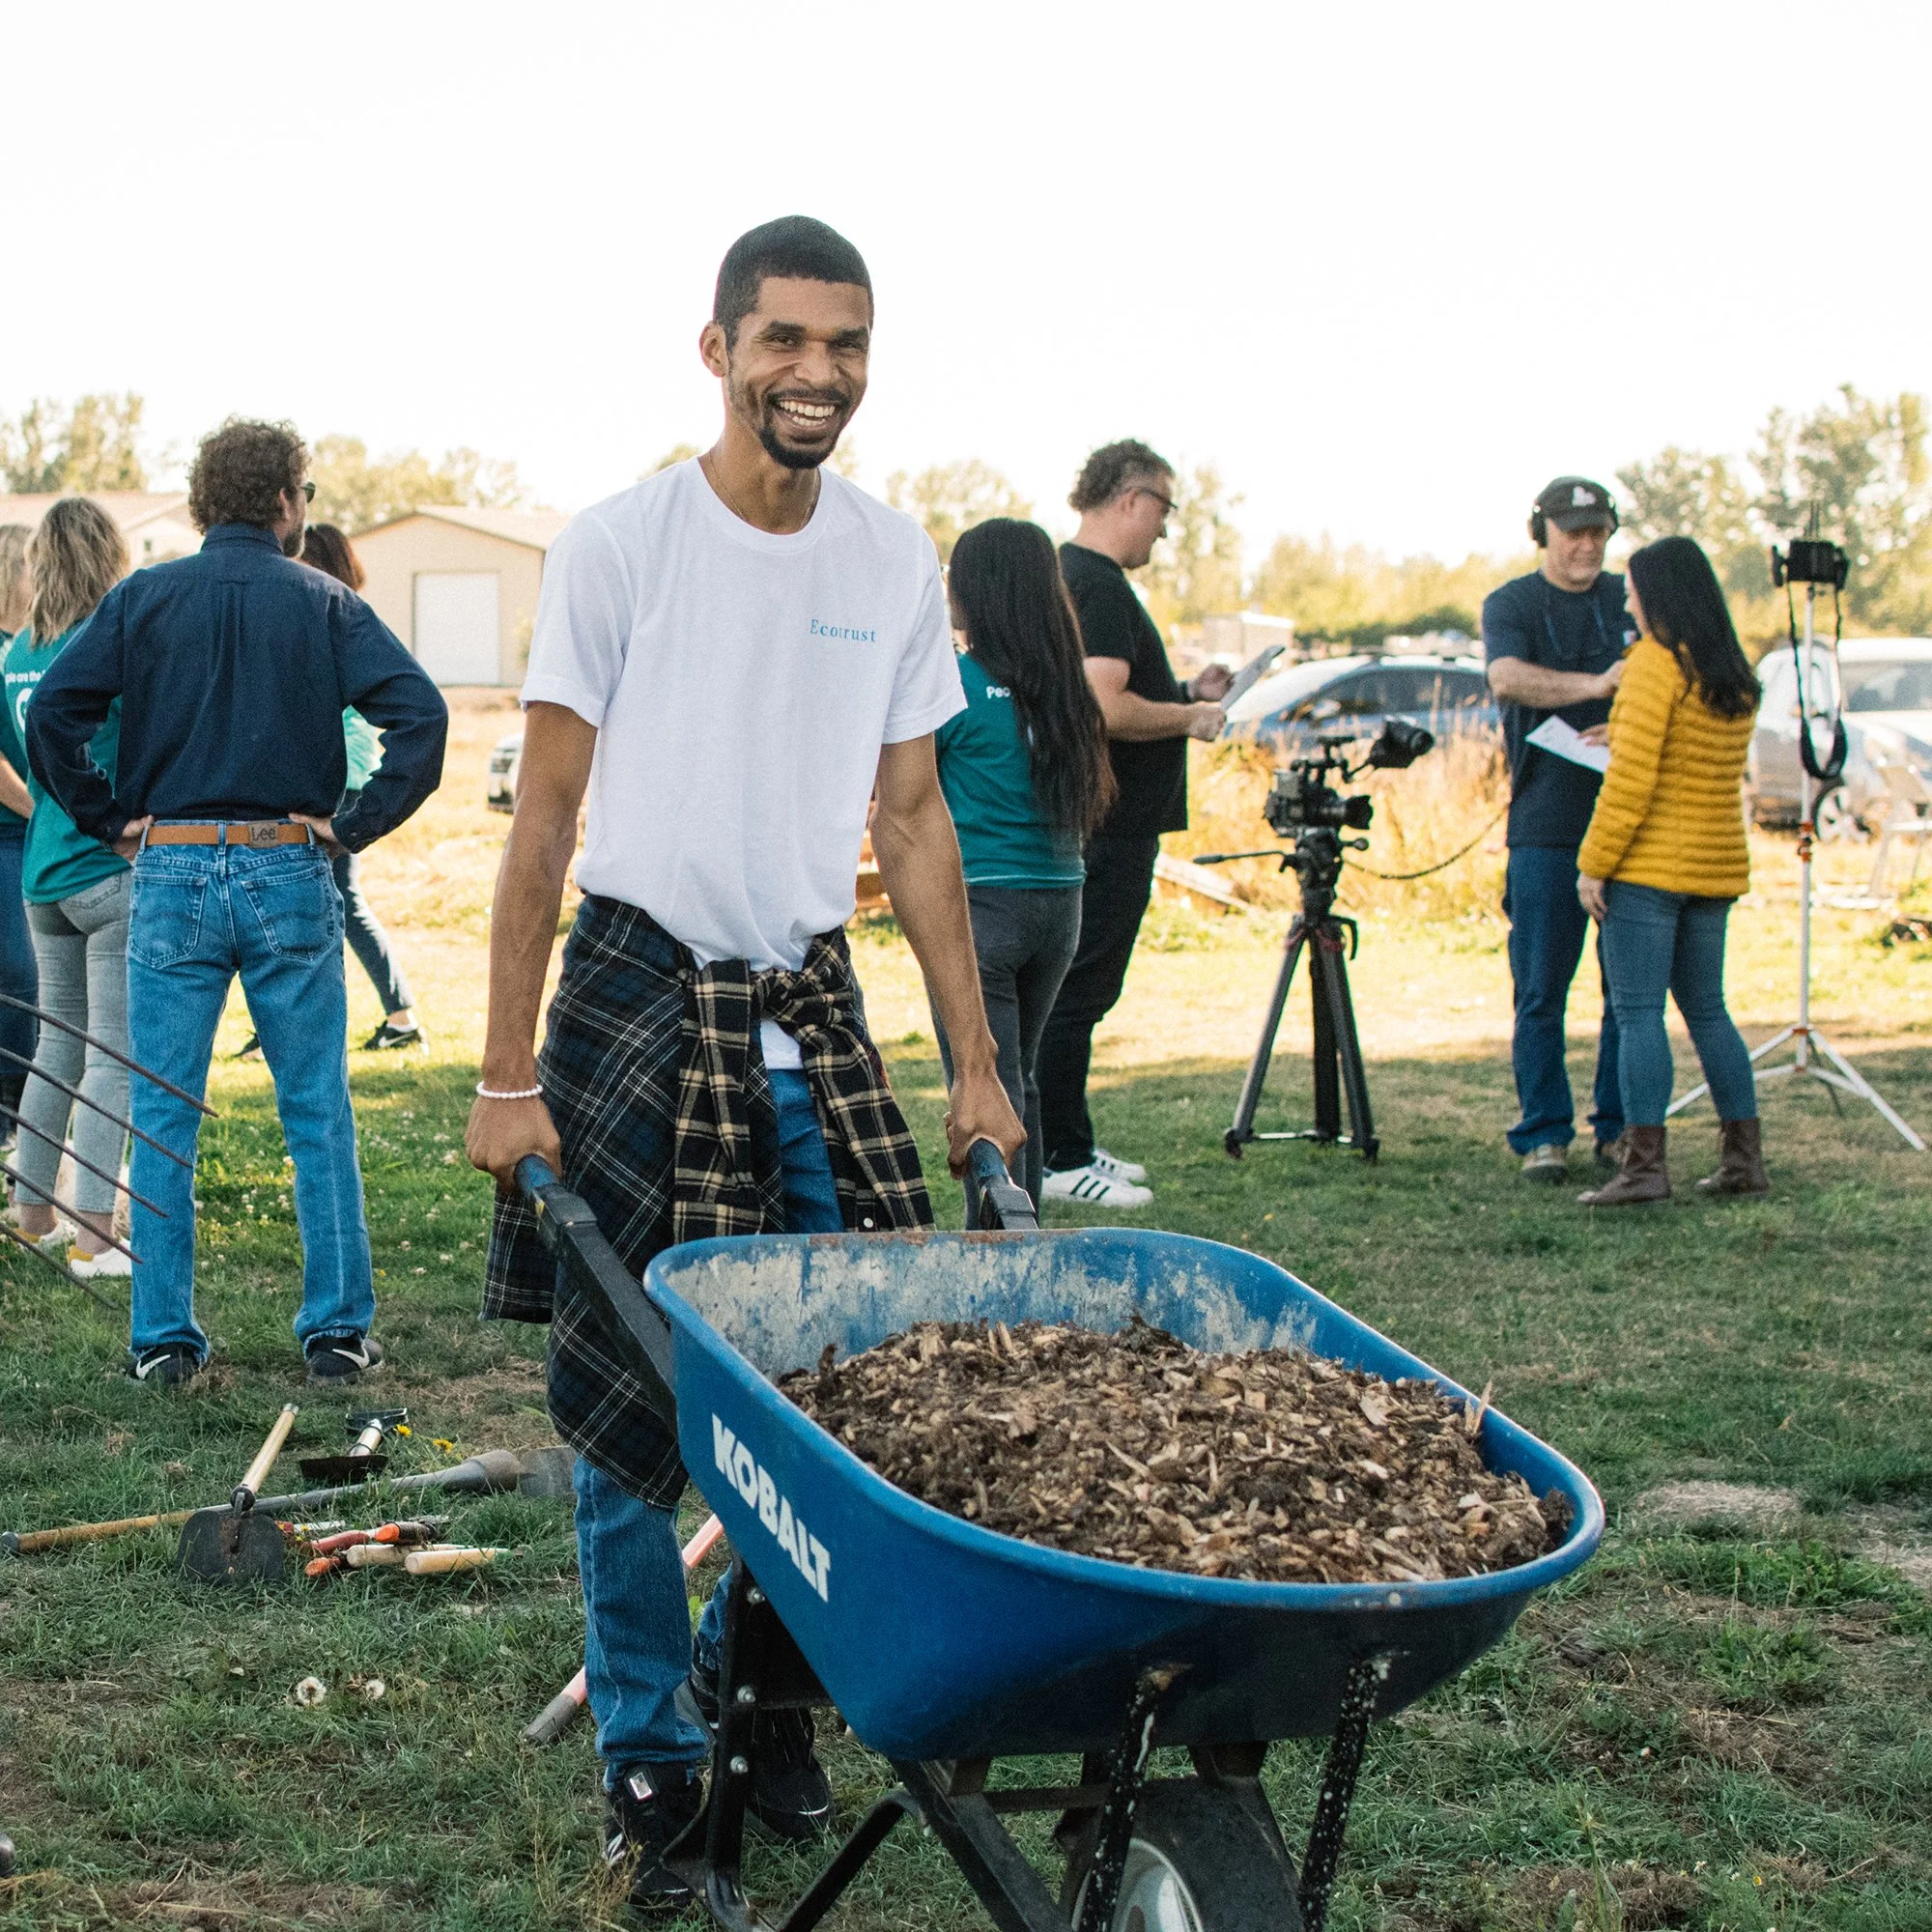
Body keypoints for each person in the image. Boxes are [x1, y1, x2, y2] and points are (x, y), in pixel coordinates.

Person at [466, 215, 1023, 1916]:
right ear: (717, 350)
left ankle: (754, 1691)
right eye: (785, 342)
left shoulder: (884, 557)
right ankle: (646, 1749)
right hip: (638, 999)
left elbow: (915, 822)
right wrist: (504, 1075)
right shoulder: (625, 544)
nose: (819, 376)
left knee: (840, 1394)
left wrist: (980, 1073)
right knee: (638, 1412)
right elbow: (545, 817)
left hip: (811, 1010)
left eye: (845, 347)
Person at [26, 418, 447, 1389]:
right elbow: (418, 715)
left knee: (165, 1113)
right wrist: (353, 820)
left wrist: (108, 816)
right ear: (289, 502)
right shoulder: (326, 604)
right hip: (284, 867)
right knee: (316, 1111)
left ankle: (164, 1339)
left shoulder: (142, 597)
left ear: (205, 502)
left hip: (168, 867)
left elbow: (55, 712)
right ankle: (338, 1329)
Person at [1035, 440, 1229, 1208]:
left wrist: (1180, 685)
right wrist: (1192, 713)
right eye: (1164, 510)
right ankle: (1057, 1160)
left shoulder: (1069, 575)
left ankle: (1072, 1141)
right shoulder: (1101, 585)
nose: (1164, 530)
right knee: (1079, 993)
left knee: (1081, 991)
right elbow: (1104, 705)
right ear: (1129, 498)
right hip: (1111, 826)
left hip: (1097, 818)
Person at [930, 517, 1115, 1222]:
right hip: (1059, 909)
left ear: (978, 591)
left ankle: (998, 1259)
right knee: (1020, 1080)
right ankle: (1022, 1238)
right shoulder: (1067, 692)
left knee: (984, 1091)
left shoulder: (954, 684)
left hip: (984, 913)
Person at [1575, 535, 1763, 1207]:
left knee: (1638, 1014)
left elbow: (1633, 783)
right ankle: (1744, 1161)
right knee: (1709, 1012)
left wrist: (1593, 866)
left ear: (1661, 596)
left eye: (1634, 589)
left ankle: (1644, 1169)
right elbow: (1685, 757)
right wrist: (1622, 732)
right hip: (1714, 870)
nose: (1627, 600)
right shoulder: (1730, 673)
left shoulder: (1653, 665)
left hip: (1651, 871)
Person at [1482, 475, 1632, 1182]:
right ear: (1542, 532)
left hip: (1629, 819)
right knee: (1541, 987)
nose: (1587, 544)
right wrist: (1597, 687)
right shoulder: (1512, 603)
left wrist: (1624, 721)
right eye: (1573, 531)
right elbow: (1508, 679)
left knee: (1625, 990)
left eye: (1599, 531)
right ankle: (1544, 1131)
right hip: (1545, 823)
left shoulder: (1630, 600)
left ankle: (1617, 1127)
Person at [232, 523, 425, 1060]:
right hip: (347, 778)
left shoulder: (324, 619)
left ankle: (396, 1014)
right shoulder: (350, 620)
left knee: (323, 906)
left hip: (330, 782)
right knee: (319, 904)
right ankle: (388, 1015)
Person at [1, 500, 133, 1271]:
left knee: (57, 1047)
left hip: (40, 868)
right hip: (104, 865)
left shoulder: (20, 647)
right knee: (113, 1056)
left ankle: (31, 1214)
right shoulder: (108, 641)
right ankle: (96, 1237)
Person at [0, 526, 40, 1128]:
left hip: (31, 828)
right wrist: (42, 811)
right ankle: (13, 1107)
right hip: (10, 829)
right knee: (19, 969)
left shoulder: (31, 646)